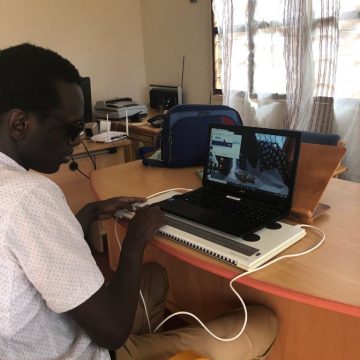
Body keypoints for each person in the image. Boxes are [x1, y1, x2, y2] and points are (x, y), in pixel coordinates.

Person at [0, 43, 277, 360]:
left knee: (157, 276)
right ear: (19, 123)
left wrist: (89, 212)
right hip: (91, 347)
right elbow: (113, 333)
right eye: (73, 128)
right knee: (263, 322)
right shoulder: (29, 195)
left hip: (33, 338)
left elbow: (25, 249)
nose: (76, 141)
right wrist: (135, 239)